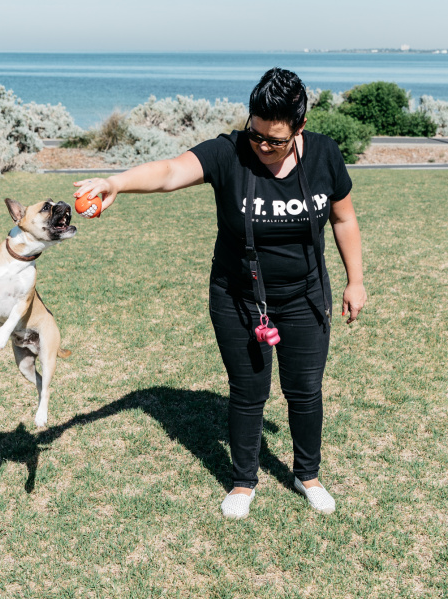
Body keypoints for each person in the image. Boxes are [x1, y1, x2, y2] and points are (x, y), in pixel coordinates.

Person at [73, 67, 366, 518]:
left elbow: (343, 218)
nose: (263, 146)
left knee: (305, 390)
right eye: (256, 134)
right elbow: (171, 171)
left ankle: (307, 475)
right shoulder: (229, 152)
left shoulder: (325, 154)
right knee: (248, 392)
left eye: (275, 140)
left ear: (300, 128)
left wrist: (355, 280)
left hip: (305, 295)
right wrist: (116, 183)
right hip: (238, 297)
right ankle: (243, 482)